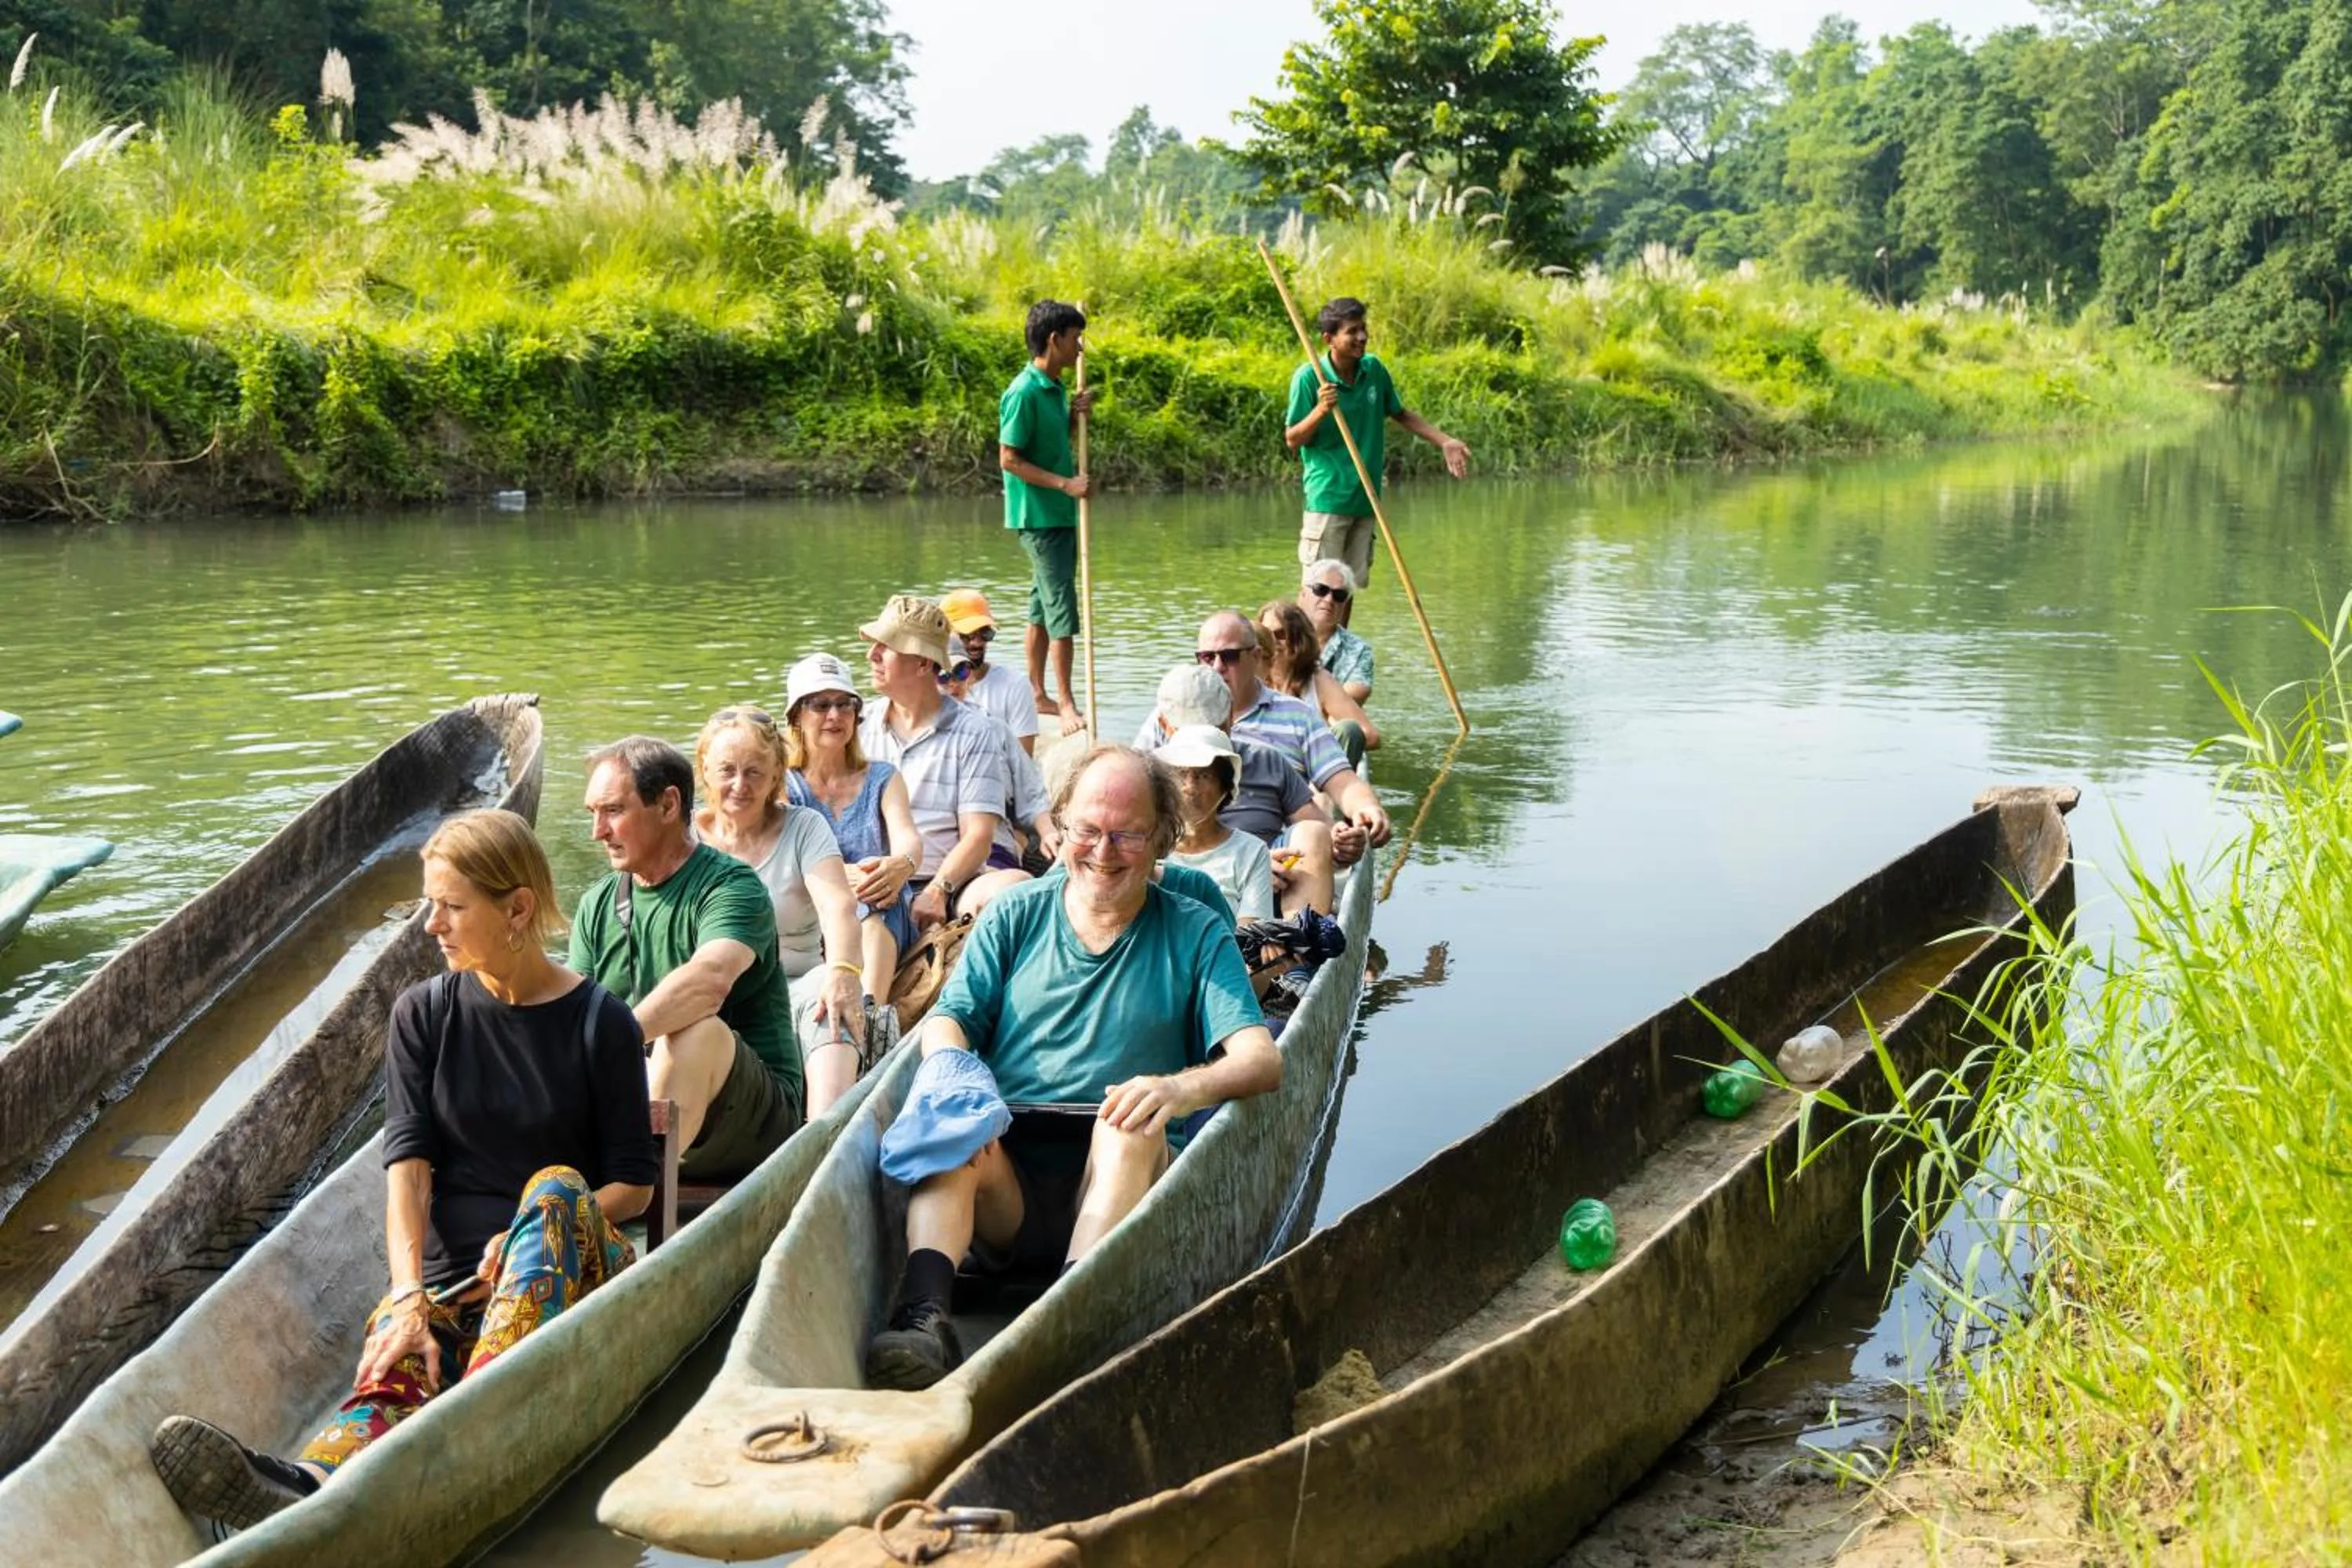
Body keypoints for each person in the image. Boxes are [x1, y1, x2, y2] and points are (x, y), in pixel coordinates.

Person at [148, 810, 655, 1529]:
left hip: (569, 1271)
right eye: (428, 905)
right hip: (453, 1285)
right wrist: (410, 1295)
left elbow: (635, 1184)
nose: (429, 926)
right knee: (399, 1354)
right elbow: (408, 1169)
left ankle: (475, 1414)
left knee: (553, 1186)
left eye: (451, 907)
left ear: (516, 910)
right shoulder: (424, 1014)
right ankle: (306, 1486)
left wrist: (524, 1235)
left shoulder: (600, 1021)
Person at [865, 747, 1279, 1391]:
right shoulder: (1015, 914)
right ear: (1060, 826)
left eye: (1128, 834)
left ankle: (1069, 1315)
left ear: (1163, 837)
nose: (1103, 851)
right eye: (1087, 830)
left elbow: (1260, 1057)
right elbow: (951, 1019)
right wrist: (951, 1068)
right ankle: (923, 1318)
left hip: (1118, 1179)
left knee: (1128, 1126)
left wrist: (1177, 1087)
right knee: (955, 1122)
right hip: (1010, 1195)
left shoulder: (1196, 929)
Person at [571, 737, 802, 1181]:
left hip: (750, 1124)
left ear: (669, 804)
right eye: (593, 814)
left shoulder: (732, 887)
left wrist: (612, 1045)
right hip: (638, 1104)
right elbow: (572, 1018)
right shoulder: (597, 904)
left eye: (613, 811)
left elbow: (709, 981)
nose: (597, 831)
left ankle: (637, 1206)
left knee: (692, 1030)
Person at [693, 706, 872, 1118]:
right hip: (712, 984)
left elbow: (838, 905)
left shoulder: (804, 826)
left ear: (777, 775)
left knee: (834, 1000)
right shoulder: (686, 836)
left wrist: (845, 971)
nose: (740, 785)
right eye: (727, 771)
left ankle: (820, 1139)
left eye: (755, 772)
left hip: (796, 980)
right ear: (705, 771)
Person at [1163, 611, 1391, 869]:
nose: (1217, 667)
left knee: (1313, 836)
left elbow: (1342, 781)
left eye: (1229, 656)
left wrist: (1367, 809)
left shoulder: (1297, 716)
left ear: (1256, 657)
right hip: (1188, 855)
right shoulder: (1172, 715)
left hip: (1283, 856)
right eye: (1207, 657)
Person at [856, 593, 1027, 927]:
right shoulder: (857, 725)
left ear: (923, 663)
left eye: (885, 646)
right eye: (874, 644)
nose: (871, 655)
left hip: (951, 881)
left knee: (1015, 891)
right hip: (872, 881)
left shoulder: (975, 731)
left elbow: (978, 837)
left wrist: (938, 890)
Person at [1283, 295, 1470, 588]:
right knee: (1320, 592)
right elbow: (1292, 439)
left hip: (1366, 499)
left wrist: (1444, 441)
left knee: (1347, 589)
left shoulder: (1373, 371)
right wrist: (1321, 410)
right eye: (1352, 331)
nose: (1362, 337)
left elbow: (1400, 413)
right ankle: (1311, 637)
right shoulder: (1309, 378)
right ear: (1329, 338)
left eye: (1363, 329)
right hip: (1328, 500)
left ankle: (1340, 637)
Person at [1141, 662, 1337, 916]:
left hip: (1270, 878)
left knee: (1314, 834)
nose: (1191, 785)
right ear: (1166, 726)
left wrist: (1339, 839)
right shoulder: (1146, 777)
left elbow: (1315, 829)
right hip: (1181, 889)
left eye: (1214, 729)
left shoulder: (1266, 760)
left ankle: (1295, 945)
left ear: (1230, 719)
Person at [783, 652, 921, 1007]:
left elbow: (907, 837)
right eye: (820, 705)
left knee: (875, 901)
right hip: (814, 913)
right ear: (796, 715)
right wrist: (844, 879)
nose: (835, 715)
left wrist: (901, 864)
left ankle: (869, 1013)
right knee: (858, 897)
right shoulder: (782, 784)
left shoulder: (883, 777)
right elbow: (785, 860)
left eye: (845, 704)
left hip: (880, 904)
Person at [1000, 300, 1096, 737]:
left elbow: (1052, 443)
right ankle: (1068, 704)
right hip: (1040, 516)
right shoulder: (1023, 392)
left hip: (1059, 515)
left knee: (1041, 606)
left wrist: (1076, 413)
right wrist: (1065, 485)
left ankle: (1038, 694)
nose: (1080, 347)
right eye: (1075, 338)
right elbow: (1010, 459)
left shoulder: (1054, 388)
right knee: (1062, 609)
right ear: (1054, 339)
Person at [1158, 724, 1274, 924]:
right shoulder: (1149, 846)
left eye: (1204, 776)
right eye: (1181, 774)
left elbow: (1250, 929)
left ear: (1225, 788)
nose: (1190, 788)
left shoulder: (1251, 852)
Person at [1258, 597, 1380, 768]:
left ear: (1298, 638)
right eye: (1265, 635)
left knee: (1348, 729)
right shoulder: (1250, 678)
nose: (1273, 642)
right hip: (1263, 768)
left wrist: (1321, 738)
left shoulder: (1318, 680)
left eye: (1281, 635)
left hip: (1309, 772)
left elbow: (1370, 736)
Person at [939, 589, 1040, 756]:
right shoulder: (928, 686)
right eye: (967, 635)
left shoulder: (1015, 685)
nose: (977, 643)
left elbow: (1023, 763)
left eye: (985, 633)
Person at [1302, 557, 1374, 703]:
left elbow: (1352, 698)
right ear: (1303, 594)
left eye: (1339, 595)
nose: (1329, 599)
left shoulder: (1360, 651)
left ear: (1345, 605)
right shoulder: (1279, 636)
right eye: (1320, 590)